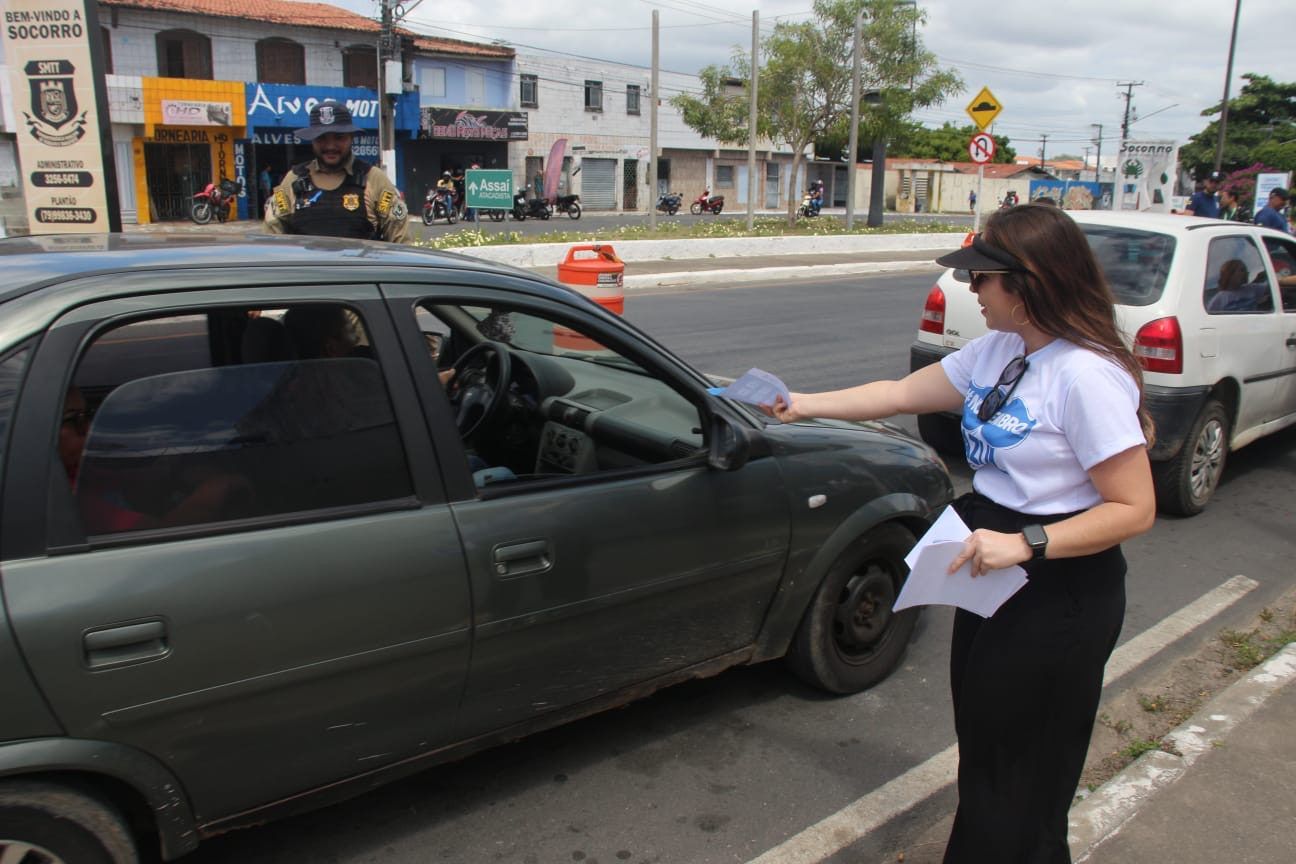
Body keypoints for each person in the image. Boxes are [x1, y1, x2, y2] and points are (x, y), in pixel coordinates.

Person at [767, 203, 1156, 863]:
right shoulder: (1001, 349)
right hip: (993, 569)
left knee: (1023, 770)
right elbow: (896, 393)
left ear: (1027, 284)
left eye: (982, 279)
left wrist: (1029, 543)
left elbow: (1134, 508)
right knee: (984, 747)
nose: (971, 291)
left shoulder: (1085, 375)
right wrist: (800, 404)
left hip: (1058, 584)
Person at [265, 100, 410, 242]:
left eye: (339, 137)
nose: (330, 146)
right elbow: (272, 240)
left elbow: (400, 241)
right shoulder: (293, 179)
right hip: (305, 266)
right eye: (322, 138)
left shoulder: (373, 179)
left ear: (351, 138)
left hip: (360, 266)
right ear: (312, 139)